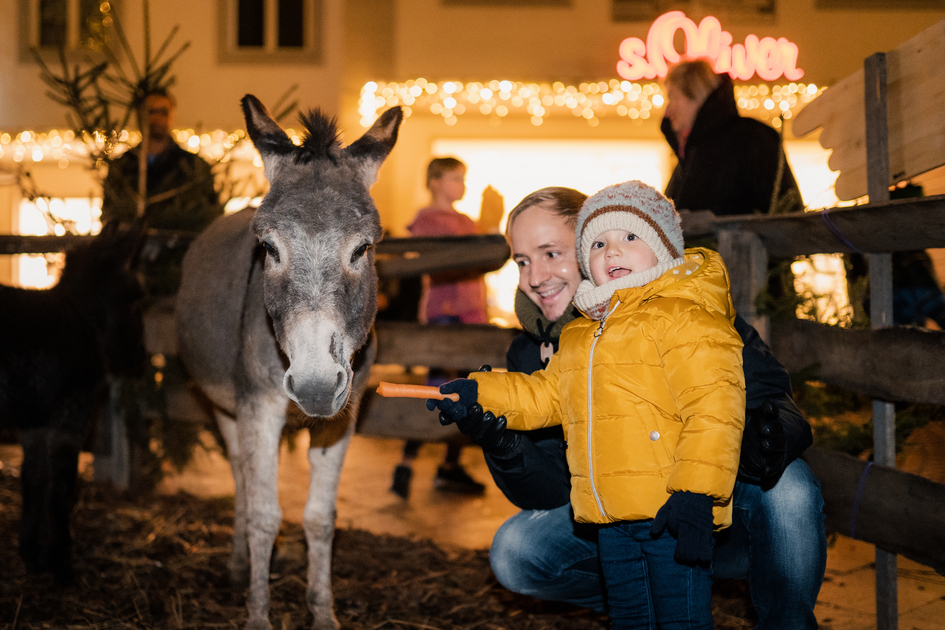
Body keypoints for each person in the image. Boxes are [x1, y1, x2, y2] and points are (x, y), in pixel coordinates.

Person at [433, 187, 826, 628]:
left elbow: (742, 394)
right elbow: (545, 493)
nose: (535, 276)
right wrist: (500, 436)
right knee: (518, 548)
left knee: (790, 484)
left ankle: (784, 620)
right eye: (522, 261)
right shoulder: (537, 353)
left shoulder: (680, 312)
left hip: (702, 504)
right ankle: (648, 597)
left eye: (551, 252)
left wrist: (759, 439)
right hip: (610, 514)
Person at [390, 157, 488, 499]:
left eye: (463, 178)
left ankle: (449, 464)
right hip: (446, 312)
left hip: (470, 312)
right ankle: (406, 462)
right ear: (434, 182)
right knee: (437, 389)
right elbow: (450, 260)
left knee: (465, 392)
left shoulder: (465, 220)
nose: (461, 185)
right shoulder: (428, 220)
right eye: (454, 178)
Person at [101, 88, 222, 299]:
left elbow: (208, 216)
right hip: (130, 279)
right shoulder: (122, 169)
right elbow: (110, 216)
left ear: (172, 115)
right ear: (140, 116)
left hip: (179, 277)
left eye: (163, 111)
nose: (157, 118)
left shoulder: (193, 168)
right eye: (151, 111)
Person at [662, 58, 803, 217]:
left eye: (673, 96)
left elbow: (786, 210)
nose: (668, 111)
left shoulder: (751, 140)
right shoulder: (691, 156)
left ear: (695, 93)